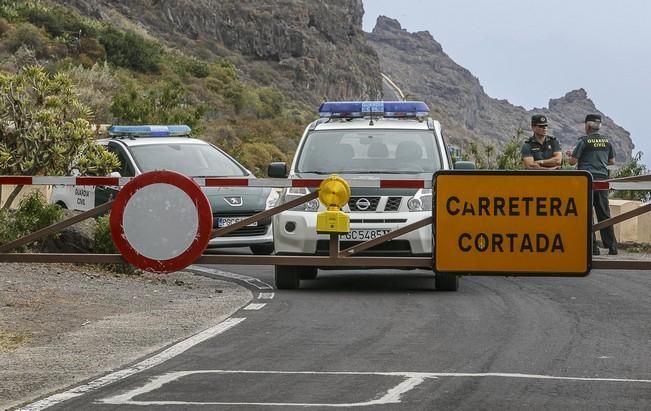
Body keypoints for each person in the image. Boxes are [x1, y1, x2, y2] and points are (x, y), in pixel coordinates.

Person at [566, 114, 618, 255]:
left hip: (586, 181)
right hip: (602, 180)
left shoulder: (584, 141)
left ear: (587, 126)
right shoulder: (607, 142)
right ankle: (612, 246)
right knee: (604, 213)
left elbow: (572, 162)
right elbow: (611, 161)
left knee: (587, 213)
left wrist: (571, 154)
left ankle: (593, 247)